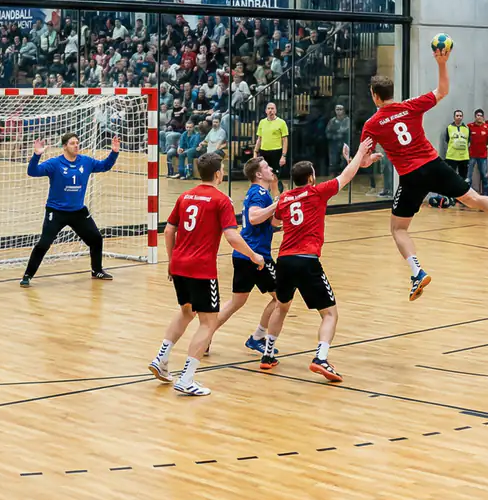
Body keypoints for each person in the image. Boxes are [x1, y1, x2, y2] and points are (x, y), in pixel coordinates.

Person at [359, 53, 488, 303]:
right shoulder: (411, 105)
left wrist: (367, 160)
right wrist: (442, 62)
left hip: (411, 176)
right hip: (434, 164)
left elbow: (364, 159)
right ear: (392, 92)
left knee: (398, 228)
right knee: (474, 198)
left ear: (375, 96)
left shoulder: (372, 124)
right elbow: (443, 90)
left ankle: (417, 272)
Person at [148, 153, 266, 397]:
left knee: (186, 311)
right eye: (222, 169)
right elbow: (232, 236)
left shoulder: (185, 196)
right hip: (201, 268)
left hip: (179, 265)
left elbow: (170, 230)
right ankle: (187, 378)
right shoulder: (221, 200)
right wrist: (254, 256)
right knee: (208, 322)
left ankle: (161, 358)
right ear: (217, 174)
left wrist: (171, 260)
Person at [258, 144, 379, 381]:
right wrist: (358, 155)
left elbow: (274, 223)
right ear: (311, 178)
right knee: (330, 314)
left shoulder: (284, 198)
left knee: (281, 307)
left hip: (284, 260)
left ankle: (267, 355)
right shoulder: (317, 192)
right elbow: (346, 176)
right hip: (307, 259)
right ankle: (320, 358)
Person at [21, 132, 121, 285]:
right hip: (56, 211)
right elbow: (32, 171)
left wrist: (114, 152)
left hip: (78, 212)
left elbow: (104, 166)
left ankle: (97, 271)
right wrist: (36, 155)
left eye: (77, 142)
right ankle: (27, 276)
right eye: (73, 143)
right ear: (65, 146)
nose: (76, 145)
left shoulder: (85, 162)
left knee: (96, 239)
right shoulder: (55, 163)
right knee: (44, 243)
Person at [212, 157, 283, 358]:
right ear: (258, 174)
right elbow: (253, 217)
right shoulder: (259, 192)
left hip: (244, 254)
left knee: (236, 302)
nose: (271, 168)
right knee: (282, 297)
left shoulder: (260, 193)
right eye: (267, 167)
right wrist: (277, 204)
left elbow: (264, 224)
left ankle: (206, 336)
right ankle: (258, 337)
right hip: (256, 256)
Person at [255, 101, 289, 189]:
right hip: (264, 151)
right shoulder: (262, 122)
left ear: (276, 110)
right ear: (266, 111)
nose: (270, 110)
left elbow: (285, 140)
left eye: (272, 108)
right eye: (269, 108)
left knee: (275, 175)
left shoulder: (281, 123)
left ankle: (277, 194)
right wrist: (255, 152)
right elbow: (259, 138)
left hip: (276, 152)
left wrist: (283, 156)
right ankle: (266, 193)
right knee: (263, 174)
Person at [467, 109, 488, 197]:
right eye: (478, 115)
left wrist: (487, 147)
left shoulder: (487, 127)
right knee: (468, 177)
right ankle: (467, 196)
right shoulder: (469, 126)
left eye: (481, 115)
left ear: (483, 117)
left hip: (483, 156)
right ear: (475, 116)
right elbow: (466, 140)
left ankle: (485, 196)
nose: (479, 117)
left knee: (484, 176)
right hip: (471, 155)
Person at [444, 109, 471, 182]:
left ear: (462, 117)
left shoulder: (467, 128)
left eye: (460, 116)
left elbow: (468, 141)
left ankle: (461, 193)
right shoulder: (449, 127)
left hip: (463, 157)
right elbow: (447, 140)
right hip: (451, 156)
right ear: (454, 117)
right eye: (457, 116)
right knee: (450, 176)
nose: (459, 117)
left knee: (463, 178)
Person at [325, 104, 352, 174]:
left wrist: (341, 133)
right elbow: (327, 133)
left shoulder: (347, 120)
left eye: (340, 109)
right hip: (334, 145)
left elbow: (349, 131)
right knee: (333, 164)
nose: (339, 111)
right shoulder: (332, 121)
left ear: (344, 110)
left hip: (345, 144)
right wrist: (335, 136)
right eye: (337, 109)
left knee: (345, 163)